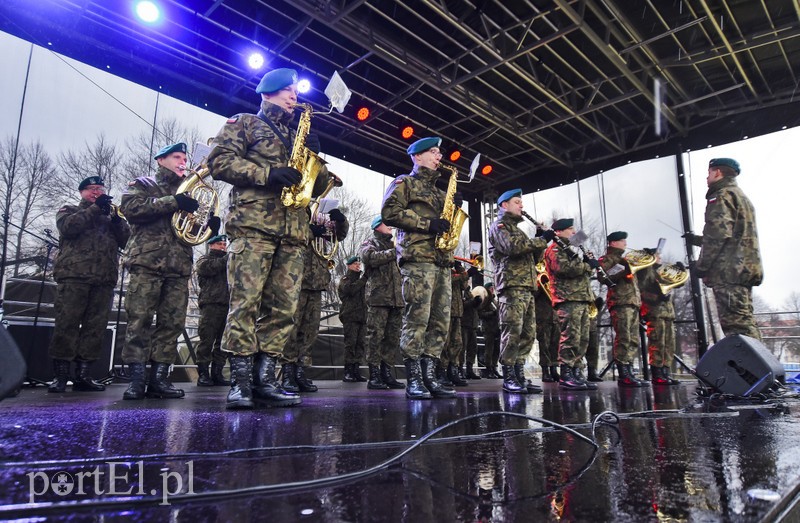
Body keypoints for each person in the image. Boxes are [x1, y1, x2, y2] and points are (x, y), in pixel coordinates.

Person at [207, 67, 335, 409]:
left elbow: (311, 190)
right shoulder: (245, 122)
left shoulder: (297, 135)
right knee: (245, 303)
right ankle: (240, 382)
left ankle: (266, 380)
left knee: (283, 309)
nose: (294, 96)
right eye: (287, 91)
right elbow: (218, 162)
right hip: (253, 228)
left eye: (294, 91)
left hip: (293, 234)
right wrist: (267, 174)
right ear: (267, 93)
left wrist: (317, 166)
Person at [120, 142, 217, 400]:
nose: (182, 161)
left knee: (171, 324)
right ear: (161, 160)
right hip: (147, 263)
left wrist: (209, 227)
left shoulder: (192, 193)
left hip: (178, 267)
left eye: (185, 158)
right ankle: (136, 381)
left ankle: (159, 379)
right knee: (139, 321)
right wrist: (173, 201)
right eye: (176, 157)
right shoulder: (143, 184)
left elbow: (191, 231)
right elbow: (132, 209)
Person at [381, 136, 457, 400]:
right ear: (417, 156)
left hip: (441, 261)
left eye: (439, 152)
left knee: (439, 322)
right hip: (418, 259)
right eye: (433, 152)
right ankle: (413, 378)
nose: (439, 156)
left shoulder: (439, 192)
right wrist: (427, 224)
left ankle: (430, 376)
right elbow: (389, 212)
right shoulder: (405, 183)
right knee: (417, 319)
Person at [47, 176, 130, 393]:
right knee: (67, 324)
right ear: (82, 192)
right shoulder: (70, 209)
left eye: (100, 189)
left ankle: (84, 374)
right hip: (74, 276)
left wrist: (116, 220)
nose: (96, 192)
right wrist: (94, 209)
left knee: (95, 328)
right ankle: (61, 376)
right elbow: (68, 228)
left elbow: (127, 241)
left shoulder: (110, 215)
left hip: (103, 279)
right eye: (91, 189)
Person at [685, 158, 763, 340]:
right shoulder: (741, 197)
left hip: (728, 274)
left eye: (709, 173)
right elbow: (734, 235)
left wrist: (701, 266)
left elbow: (718, 236)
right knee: (745, 323)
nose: (707, 177)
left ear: (718, 172)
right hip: (742, 270)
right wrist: (697, 240)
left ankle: (753, 368)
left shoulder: (720, 195)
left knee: (737, 329)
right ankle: (760, 366)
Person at [487, 189, 549, 394]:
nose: (521, 206)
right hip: (511, 287)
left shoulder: (518, 230)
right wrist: (541, 240)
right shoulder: (500, 226)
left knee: (527, 333)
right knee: (512, 332)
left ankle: (519, 374)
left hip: (526, 286)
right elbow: (513, 247)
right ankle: (509, 377)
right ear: (504, 205)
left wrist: (540, 240)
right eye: (517, 202)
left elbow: (534, 258)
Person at [281, 207, 348, 393]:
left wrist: (340, 220)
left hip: (316, 283)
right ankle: (288, 371)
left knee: (310, 330)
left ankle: (301, 371)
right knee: (292, 329)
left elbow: (339, 236)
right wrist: (310, 231)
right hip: (296, 281)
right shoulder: (293, 212)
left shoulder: (320, 220)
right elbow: (288, 235)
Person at [543, 218, 596, 390]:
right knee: (570, 337)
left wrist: (587, 263)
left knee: (582, 339)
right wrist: (587, 265)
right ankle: (566, 373)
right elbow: (565, 269)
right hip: (567, 299)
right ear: (558, 232)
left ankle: (577, 372)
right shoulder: (554, 250)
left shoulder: (570, 249)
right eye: (570, 229)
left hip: (580, 298)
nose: (574, 232)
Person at [359, 216, 405, 390]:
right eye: (387, 225)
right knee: (375, 337)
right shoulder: (370, 242)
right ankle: (374, 374)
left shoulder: (395, 245)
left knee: (392, 338)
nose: (391, 228)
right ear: (378, 226)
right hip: (379, 298)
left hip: (396, 299)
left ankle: (387, 372)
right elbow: (369, 258)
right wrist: (395, 252)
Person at [599, 231, 648, 387]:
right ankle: (623, 373)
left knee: (633, 339)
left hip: (632, 303)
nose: (625, 243)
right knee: (624, 337)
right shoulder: (608, 259)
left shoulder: (625, 260)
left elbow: (639, 283)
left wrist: (644, 268)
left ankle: (629, 370)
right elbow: (604, 276)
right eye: (621, 240)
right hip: (620, 302)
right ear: (613, 243)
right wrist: (623, 267)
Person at [637, 252, 680, 385]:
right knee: (657, 343)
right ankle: (657, 374)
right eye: (656, 255)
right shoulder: (646, 271)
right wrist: (657, 297)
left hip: (667, 313)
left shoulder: (661, 270)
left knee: (669, 344)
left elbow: (676, 283)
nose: (659, 258)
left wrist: (679, 272)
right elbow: (642, 289)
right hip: (655, 312)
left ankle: (666, 372)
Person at [194, 234, 230, 387]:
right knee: (206, 341)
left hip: (227, 305)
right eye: (220, 244)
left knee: (223, 343)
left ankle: (217, 373)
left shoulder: (227, 261)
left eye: (224, 244)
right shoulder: (205, 260)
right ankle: (203, 374)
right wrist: (228, 258)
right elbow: (209, 268)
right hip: (211, 305)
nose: (223, 246)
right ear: (211, 245)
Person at [337, 255, 368, 385]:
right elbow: (350, 290)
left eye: (358, 264)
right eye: (355, 264)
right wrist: (363, 279)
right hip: (350, 316)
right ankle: (348, 371)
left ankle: (356, 370)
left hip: (361, 316)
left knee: (360, 344)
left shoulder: (361, 280)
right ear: (349, 266)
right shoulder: (345, 279)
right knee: (350, 344)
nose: (358, 265)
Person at [440, 262, 470, 386]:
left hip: (457, 312)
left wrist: (460, 269)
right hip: (445, 310)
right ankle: (442, 371)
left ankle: (453, 369)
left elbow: (464, 286)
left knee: (457, 343)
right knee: (445, 343)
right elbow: (446, 281)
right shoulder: (442, 268)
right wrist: (465, 274)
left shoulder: (456, 272)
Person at [534, 275, 560, 383]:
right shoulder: (536, 278)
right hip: (543, 316)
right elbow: (533, 295)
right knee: (544, 344)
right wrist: (540, 286)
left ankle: (554, 369)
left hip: (555, 316)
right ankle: (545, 371)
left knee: (555, 344)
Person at [478, 283, 501, 379]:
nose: (492, 290)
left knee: (496, 349)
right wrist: (492, 313)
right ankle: (488, 369)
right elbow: (481, 314)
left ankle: (494, 367)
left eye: (493, 288)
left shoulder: (494, 301)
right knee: (489, 349)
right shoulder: (485, 301)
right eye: (490, 288)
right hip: (488, 328)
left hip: (496, 327)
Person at [461, 284, 483, 380]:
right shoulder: (461, 292)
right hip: (464, 324)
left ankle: (469, 369)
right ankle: (460, 369)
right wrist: (472, 302)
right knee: (462, 348)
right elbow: (461, 305)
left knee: (472, 348)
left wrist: (477, 303)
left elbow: (474, 308)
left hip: (472, 325)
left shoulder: (470, 293)